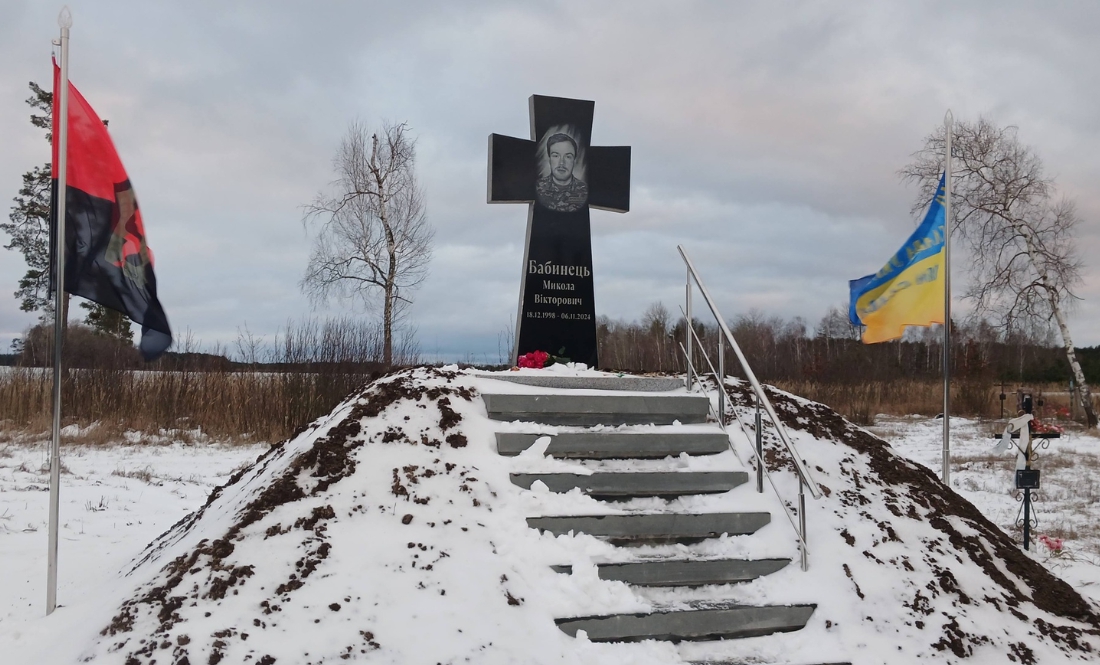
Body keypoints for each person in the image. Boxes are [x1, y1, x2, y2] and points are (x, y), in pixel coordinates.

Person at [535, 133, 588, 212]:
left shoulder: (585, 190)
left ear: (574, 161)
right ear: (549, 159)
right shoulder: (537, 188)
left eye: (568, 156)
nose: (561, 163)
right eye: (556, 156)